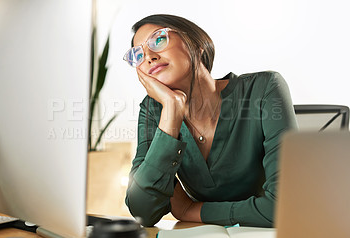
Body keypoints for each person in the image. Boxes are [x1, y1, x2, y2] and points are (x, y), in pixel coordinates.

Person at [123, 14, 298, 228]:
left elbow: (284, 208)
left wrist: (191, 210)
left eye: (158, 40)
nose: (149, 56)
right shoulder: (153, 109)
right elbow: (143, 211)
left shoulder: (264, 88)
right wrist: (171, 112)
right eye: (138, 55)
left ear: (196, 45)